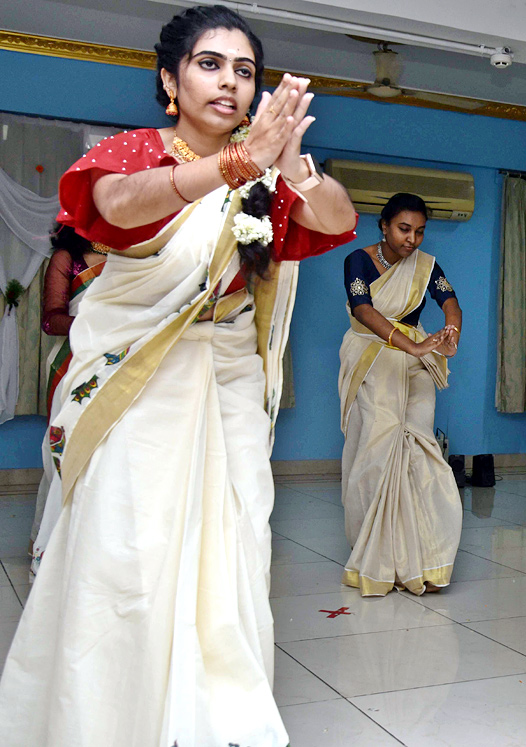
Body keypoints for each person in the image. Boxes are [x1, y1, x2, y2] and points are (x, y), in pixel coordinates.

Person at [0, 6, 357, 745]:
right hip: (138, 383)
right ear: (170, 80)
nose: (229, 81)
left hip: (224, 381)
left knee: (228, 548)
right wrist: (236, 163)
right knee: (127, 550)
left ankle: (209, 720)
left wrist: (289, 164)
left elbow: (335, 218)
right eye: (209, 63)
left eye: (245, 70)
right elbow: (113, 205)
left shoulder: (267, 173)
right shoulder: (134, 153)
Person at [338, 192, 462, 596]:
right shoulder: (358, 261)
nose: (412, 239)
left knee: (420, 444)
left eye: (420, 232)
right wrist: (409, 345)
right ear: (384, 226)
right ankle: (376, 555)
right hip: (374, 356)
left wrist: (450, 331)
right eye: (404, 229)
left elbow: (449, 300)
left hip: (417, 359)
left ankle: (424, 555)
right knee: (379, 449)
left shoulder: (425, 266)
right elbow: (362, 308)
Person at [29, 223, 106, 569]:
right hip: (73, 366)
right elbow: (51, 320)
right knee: (66, 454)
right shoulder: (67, 258)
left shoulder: (135, 253)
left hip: (126, 361)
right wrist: (100, 324)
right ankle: (56, 551)